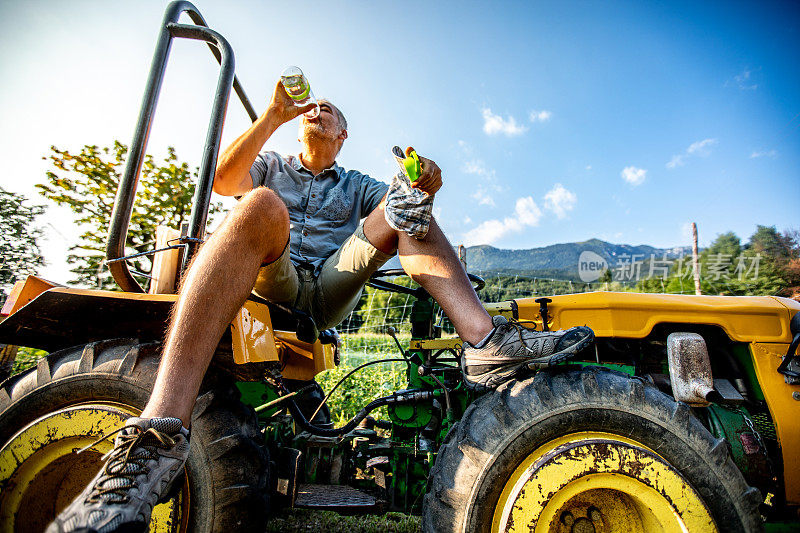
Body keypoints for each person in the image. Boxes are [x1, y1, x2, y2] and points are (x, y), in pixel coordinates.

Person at [47, 81, 593, 533]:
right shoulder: (272, 165)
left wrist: (422, 182)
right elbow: (223, 181)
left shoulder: (355, 184)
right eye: (313, 107)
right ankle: (157, 431)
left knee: (405, 209)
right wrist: (272, 115)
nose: (319, 109)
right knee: (258, 203)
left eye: (329, 110)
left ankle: (484, 341)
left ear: (343, 135)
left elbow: (402, 197)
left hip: (329, 289)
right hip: (272, 280)